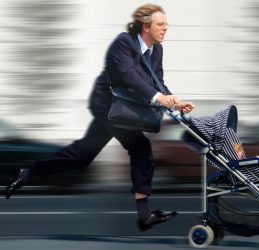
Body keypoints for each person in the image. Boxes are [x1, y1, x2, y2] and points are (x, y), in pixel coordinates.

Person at [5, 3, 195, 231]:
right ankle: (144, 215)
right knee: (141, 148)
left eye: (166, 24)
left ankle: (26, 174)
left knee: (82, 155)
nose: (166, 28)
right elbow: (129, 76)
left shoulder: (157, 50)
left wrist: (174, 101)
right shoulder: (123, 43)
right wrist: (157, 97)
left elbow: (157, 81)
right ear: (146, 26)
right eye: (161, 24)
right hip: (107, 105)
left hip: (123, 108)